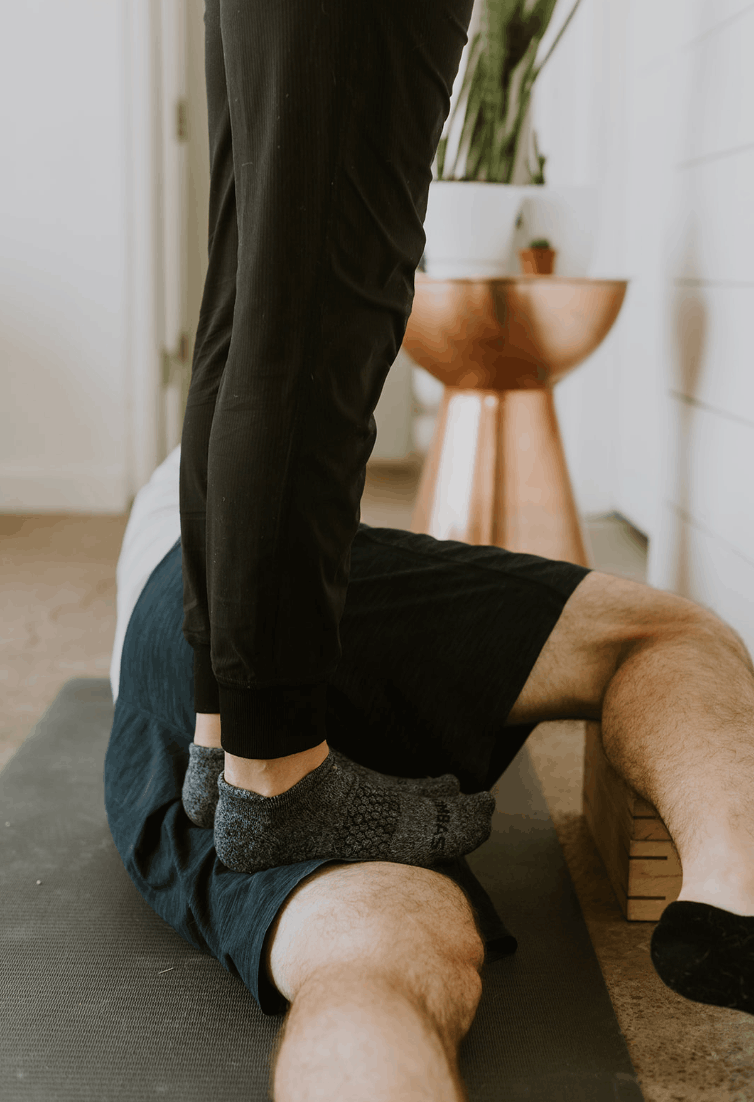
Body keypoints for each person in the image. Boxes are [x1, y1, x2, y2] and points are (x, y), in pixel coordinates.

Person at [108, 446, 754, 1102]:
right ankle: (739, 892)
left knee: (374, 946)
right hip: (232, 596)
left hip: (157, 731)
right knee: (662, 632)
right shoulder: (227, 436)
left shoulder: (173, 478)